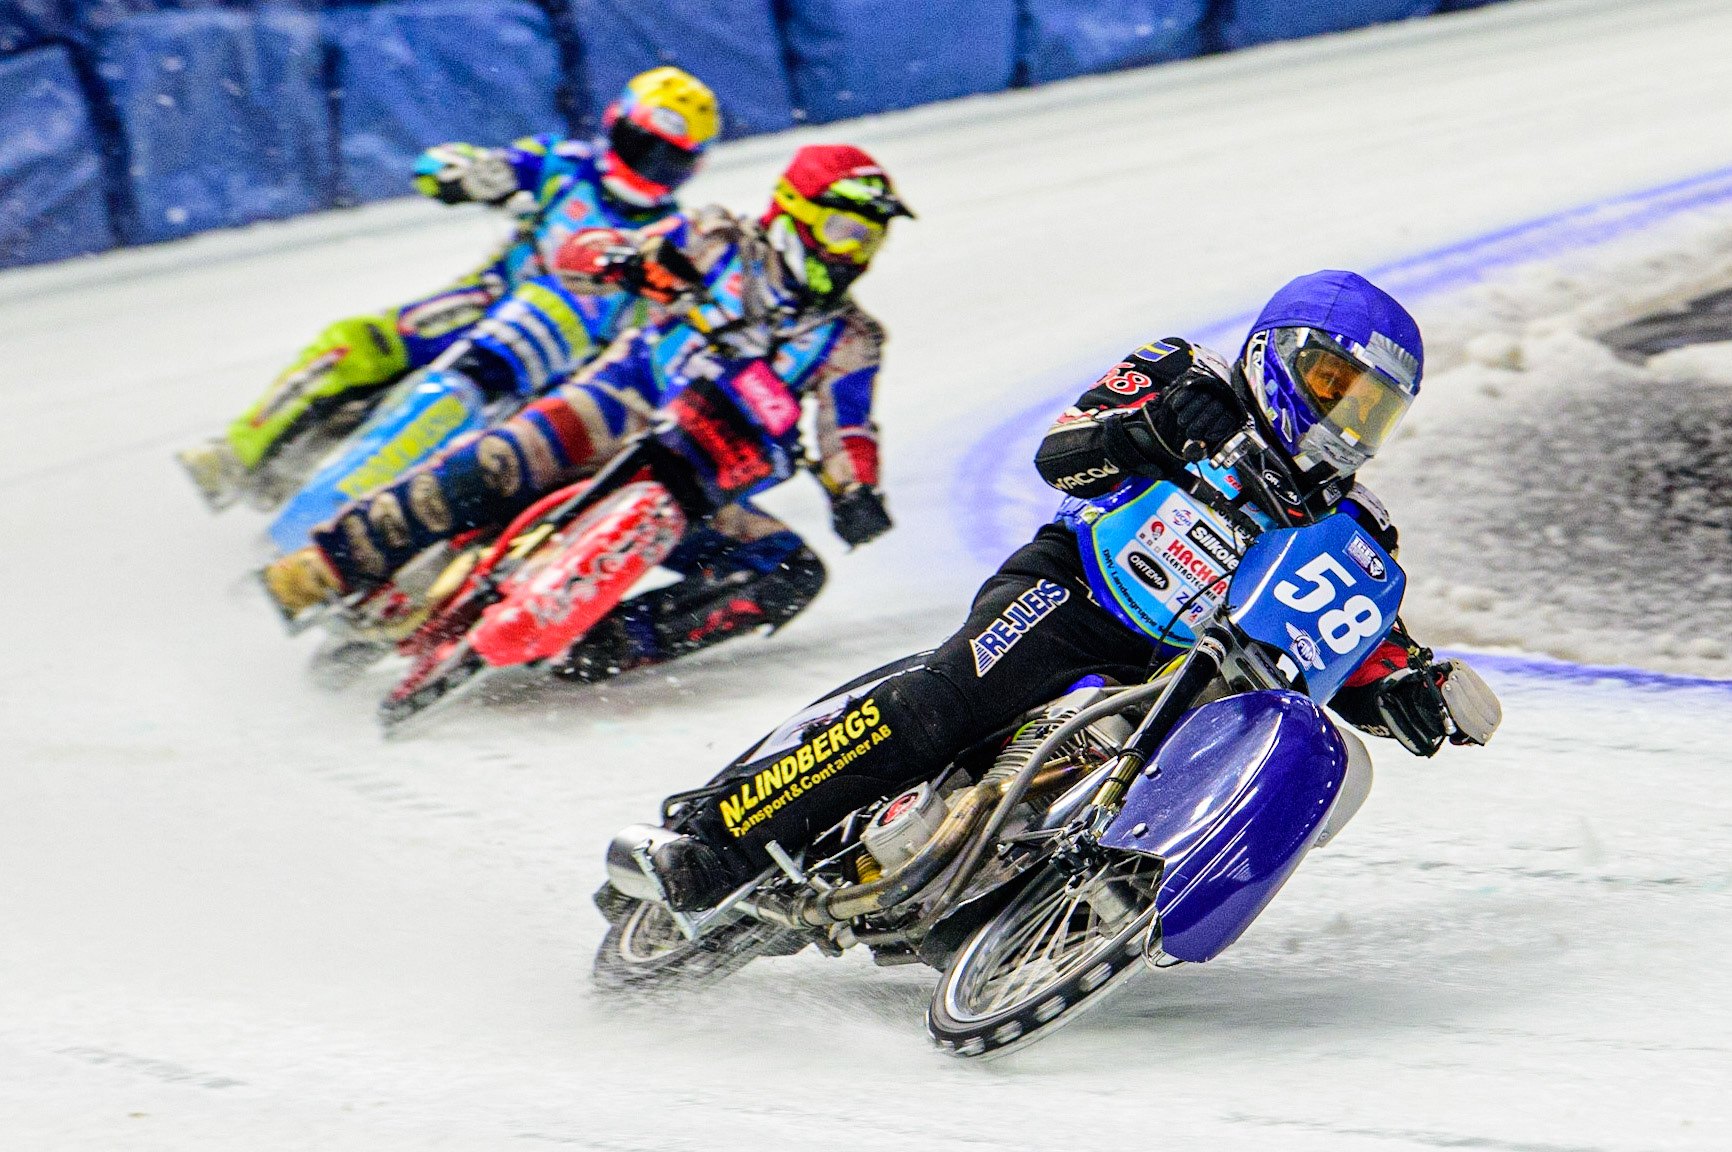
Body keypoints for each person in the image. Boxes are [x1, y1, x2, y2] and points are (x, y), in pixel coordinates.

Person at [629, 270, 1502, 912]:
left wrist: (1408, 685)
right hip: (1078, 594)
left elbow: (1344, 637)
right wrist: (1154, 431)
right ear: (1279, 355)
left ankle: (1037, 908)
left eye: (1370, 408)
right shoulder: (1182, 373)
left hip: (1186, 682)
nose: (1344, 418)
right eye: (1330, 387)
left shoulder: (1357, 526)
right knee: (943, 702)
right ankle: (715, 842)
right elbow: (1064, 453)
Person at [259, 143, 914, 678]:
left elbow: (846, 427)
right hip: (616, 406)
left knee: (788, 571)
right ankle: (329, 566)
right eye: (844, 230)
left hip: (706, 478)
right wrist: (625, 260)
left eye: (869, 240)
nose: (853, 253)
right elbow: (581, 257)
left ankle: (599, 647)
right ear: (795, 213)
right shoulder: (715, 239)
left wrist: (855, 489)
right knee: (496, 461)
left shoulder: (853, 338)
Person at [177, 67, 721, 510]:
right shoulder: (562, 164)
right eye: (644, 146)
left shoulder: (669, 234)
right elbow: (435, 165)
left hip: (570, 361)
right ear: (616, 126)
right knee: (360, 341)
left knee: (526, 465)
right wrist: (470, 174)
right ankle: (237, 456)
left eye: (669, 160)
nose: (652, 168)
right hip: (483, 301)